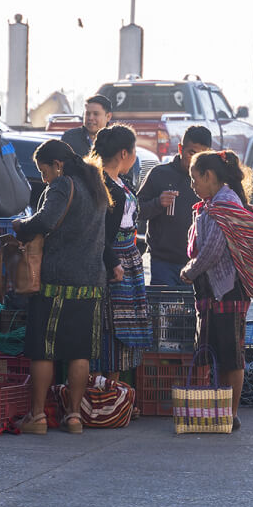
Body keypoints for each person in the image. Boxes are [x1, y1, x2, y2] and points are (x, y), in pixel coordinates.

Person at [12, 139, 109, 435]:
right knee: (79, 352)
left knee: (44, 351)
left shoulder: (63, 184)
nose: (44, 179)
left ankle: (37, 416)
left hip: (56, 280)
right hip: (90, 282)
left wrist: (21, 226)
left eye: (44, 172)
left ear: (58, 165)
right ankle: (74, 417)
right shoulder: (95, 185)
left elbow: (46, 220)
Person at [180, 150, 252, 429]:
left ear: (208, 176)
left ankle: (230, 414)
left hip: (229, 290)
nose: (193, 185)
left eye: (194, 179)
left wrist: (190, 271)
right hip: (217, 291)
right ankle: (222, 411)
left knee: (231, 356)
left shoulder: (225, 203)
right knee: (219, 354)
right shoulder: (215, 202)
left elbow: (211, 251)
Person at [91, 124, 152, 372]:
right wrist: (113, 260)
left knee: (124, 327)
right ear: (124, 153)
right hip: (112, 264)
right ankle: (104, 393)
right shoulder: (102, 185)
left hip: (128, 261)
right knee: (110, 325)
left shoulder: (120, 182)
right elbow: (100, 234)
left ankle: (118, 394)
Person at [138, 124, 215, 286]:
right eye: (191, 153)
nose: (195, 160)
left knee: (193, 310)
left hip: (197, 264)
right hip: (163, 262)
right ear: (180, 149)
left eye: (202, 155)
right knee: (162, 308)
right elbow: (136, 211)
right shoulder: (160, 174)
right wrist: (157, 203)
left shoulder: (211, 180)